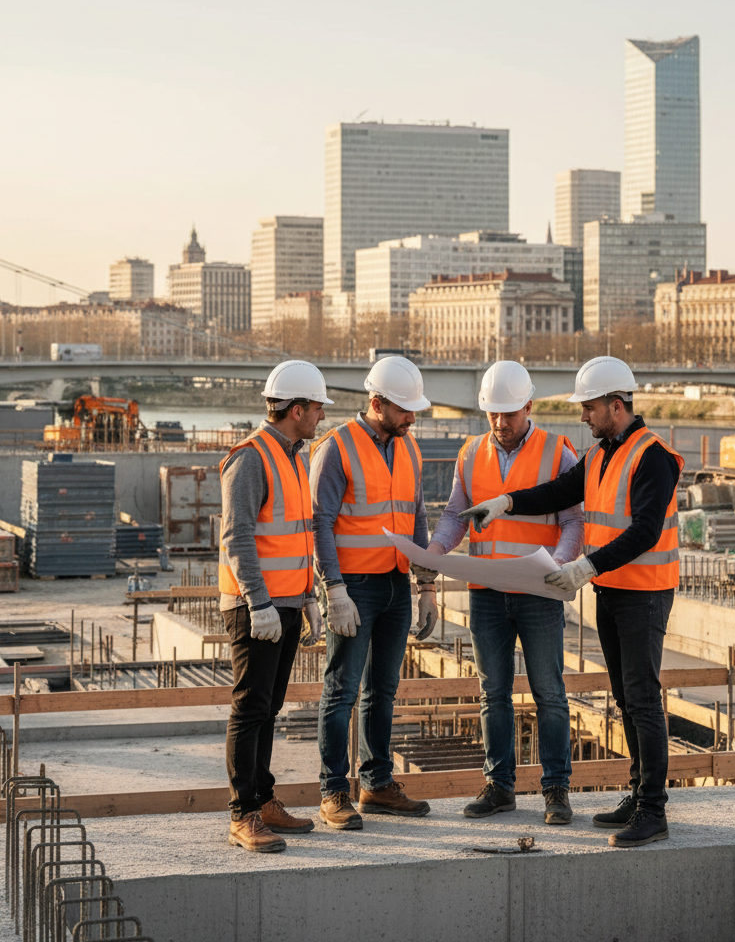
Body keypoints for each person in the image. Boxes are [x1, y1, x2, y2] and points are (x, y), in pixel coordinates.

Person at [462, 356, 683, 848]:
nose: (583, 415)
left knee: (643, 700)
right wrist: (506, 503)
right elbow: (560, 490)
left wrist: (585, 566)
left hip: (644, 594)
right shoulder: (605, 451)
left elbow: (646, 530)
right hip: (613, 591)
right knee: (626, 699)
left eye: (589, 406)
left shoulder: (653, 455)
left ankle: (653, 810)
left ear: (616, 404)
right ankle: (637, 792)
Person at [418, 361, 582, 824]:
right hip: (487, 591)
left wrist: (563, 565)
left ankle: (556, 791)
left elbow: (573, 522)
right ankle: (500, 787)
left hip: (539, 591)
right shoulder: (470, 453)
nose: (501, 423)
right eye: (493, 414)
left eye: (509, 414)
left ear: (528, 406)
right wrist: (434, 551)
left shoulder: (558, 453)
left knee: (549, 693)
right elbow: (455, 515)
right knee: (493, 693)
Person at [310, 355, 438, 830]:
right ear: (377, 403)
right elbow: (319, 522)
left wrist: (426, 584)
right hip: (354, 587)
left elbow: (417, 517)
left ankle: (377, 784)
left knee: (382, 691)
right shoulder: (336, 447)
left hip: (395, 584)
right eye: (405, 410)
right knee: (341, 689)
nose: (412, 418)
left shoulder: (409, 448)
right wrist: (334, 589)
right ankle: (332, 791)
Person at [218, 359, 331, 853]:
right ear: (297, 409)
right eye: (317, 408)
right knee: (250, 707)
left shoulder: (294, 457)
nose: (322, 417)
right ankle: (243, 813)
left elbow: (295, 537)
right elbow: (237, 536)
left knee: (270, 707)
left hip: (285, 603)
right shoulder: (251, 457)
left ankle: (263, 800)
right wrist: (260, 602)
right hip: (255, 607)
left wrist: (308, 599)